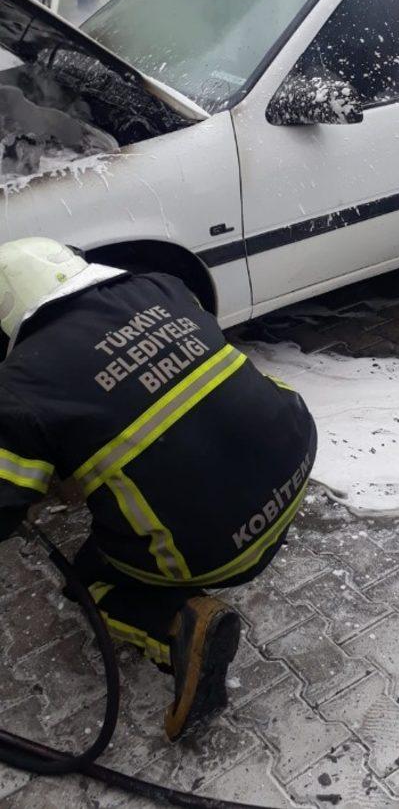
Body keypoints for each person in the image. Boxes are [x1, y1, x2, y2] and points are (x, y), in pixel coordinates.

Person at [0, 238, 317, 741]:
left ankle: (173, 625)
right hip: (295, 464)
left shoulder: (20, 387)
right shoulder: (162, 286)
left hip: (217, 550)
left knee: (87, 575)